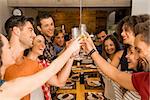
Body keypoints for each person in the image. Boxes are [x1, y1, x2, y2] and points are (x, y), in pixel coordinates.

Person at [82, 19, 150, 100]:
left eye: (138, 50)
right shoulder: (144, 79)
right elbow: (114, 74)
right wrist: (91, 49)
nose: (136, 57)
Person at [0, 33, 81, 99]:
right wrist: (70, 50)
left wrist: (71, 56)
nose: (43, 46)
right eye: (8, 47)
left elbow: (59, 81)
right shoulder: (6, 87)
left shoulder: (36, 64)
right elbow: (52, 69)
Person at [25, 35, 74, 100]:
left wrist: (71, 56)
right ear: (31, 43)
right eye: (39, 41)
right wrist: (70, 53)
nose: (43, 46)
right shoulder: (27, 64)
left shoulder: (42, 62)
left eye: (44, 42)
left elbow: (60, 79)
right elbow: (59, 82)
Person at [101, 34, 122, 99]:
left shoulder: (121, 58)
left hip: (118, 95)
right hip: (108, 94)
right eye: (106, 46)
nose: (109, 48)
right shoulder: (106, 59)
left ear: (116, 45)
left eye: (111, 45)